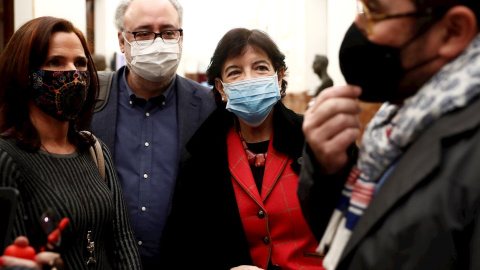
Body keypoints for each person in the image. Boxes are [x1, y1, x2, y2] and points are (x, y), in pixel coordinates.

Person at [298, 0, 480, 269]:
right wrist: (330, 171)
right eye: (360, 7)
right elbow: (360, 239)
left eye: (375, 11)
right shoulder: (400, 117)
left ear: (452, 31)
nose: (357, 25)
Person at [161, 28, 324, 270]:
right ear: (221, 87)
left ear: (278, 77)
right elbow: (181, 250)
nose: (249, 79)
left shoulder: (316, 140)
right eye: (235, 72)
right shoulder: (201, 161)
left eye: (260, 68)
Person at [0, 16, 141, 269]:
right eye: (55, 62)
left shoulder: (94, 149)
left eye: (80, 63)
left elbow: (123, 241)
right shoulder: (7, 159)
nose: (74, 74)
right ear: (24, 73)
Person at [89, 0, 216, 268]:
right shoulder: (91, 100)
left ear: (181, 39)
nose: (158, 42)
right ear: (123, 42)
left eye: (169, 32)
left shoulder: (210, 106)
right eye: (143, 33)